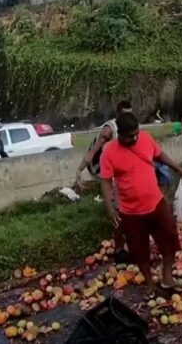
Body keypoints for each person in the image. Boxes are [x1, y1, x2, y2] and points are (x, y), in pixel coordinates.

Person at [100, 112, 182, 290]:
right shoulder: (109, 152)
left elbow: (160, 155)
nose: (135, 138)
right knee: (139, 251)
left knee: (170, 239)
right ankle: (149, 283)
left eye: (137, 134)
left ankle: (167, 278)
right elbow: (105, 181)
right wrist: (110, 208)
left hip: (156, 203)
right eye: (130, 137)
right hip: (131, 212)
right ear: (119, 134)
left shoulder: (146, 138)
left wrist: (178, 168)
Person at [75, 100, 133, 260]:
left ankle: (129, 242)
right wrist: (79, 170)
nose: (128, 117)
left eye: (130, 114)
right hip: (109, 171)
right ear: (119, 114)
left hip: (125, 171)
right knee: (118, 209)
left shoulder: (131, 128)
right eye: (125, 114)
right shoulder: (110, 129)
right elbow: (93, 151)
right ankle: (120, 247)